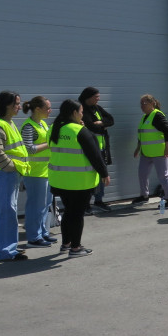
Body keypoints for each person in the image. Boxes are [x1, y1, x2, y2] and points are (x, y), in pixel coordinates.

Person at [49, 99, 109, 257]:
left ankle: (66, 244)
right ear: (74, 113)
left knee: (68, 212)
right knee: (77, 215)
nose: (82, 114)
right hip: (79, 182)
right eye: (81, 112)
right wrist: (104, 173)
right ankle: (76, 248)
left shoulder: (54, 129)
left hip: (59, 180)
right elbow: (95, 155)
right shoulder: (79, 131)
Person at [0, 91, 32, 261]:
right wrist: (12, 167)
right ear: (7, 105)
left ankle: (10, 247)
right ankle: (5, 251)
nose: (19, 107)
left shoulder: (10, 123)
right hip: (8, 174)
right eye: (16, 104)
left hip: (13, 173)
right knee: (7, 212)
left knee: (10, 211)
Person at [20, 96, 57, 248]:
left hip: (46, 172)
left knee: (45, 204)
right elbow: (29, 149)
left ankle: (43, 233)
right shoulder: (29, 126)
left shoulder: (42, 124)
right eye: (47, 108)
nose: (50, 111)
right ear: (37, 109)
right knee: (36, 206)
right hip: (34, 173)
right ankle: (33, 238)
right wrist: (48, 144)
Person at [133, 94, 168, 208]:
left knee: (163, 176)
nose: (142, 106)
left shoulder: (157, 116)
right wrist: (138, 148)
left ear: (152, 104)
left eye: (144, 103)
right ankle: (144, 196)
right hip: (146, 153)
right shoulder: (144, 117)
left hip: (160, 152)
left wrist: (167, 148)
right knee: (142, 174)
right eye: (141, 104)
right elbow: (142, 135)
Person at [78, 87, 114, 213]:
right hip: (90, 148)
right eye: (96, 96)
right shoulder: (82, 109)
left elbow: (111, 120)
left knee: (102, 174)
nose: (98, 99)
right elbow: (91, 126)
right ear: (88, 97)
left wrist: (102, 122)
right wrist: (101, 126)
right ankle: (86, 204)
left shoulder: (97, 108)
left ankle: (99, 200)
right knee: (89, 175)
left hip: (102, 148)